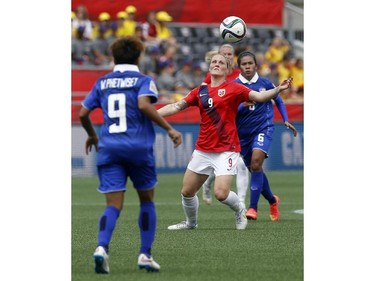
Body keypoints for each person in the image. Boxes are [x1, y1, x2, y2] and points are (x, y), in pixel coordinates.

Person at [79, 36, 182, 274]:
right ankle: (145, 254)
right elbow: (145, 105)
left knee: (113, 205)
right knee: (146, 200)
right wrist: (169, 129)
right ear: (139, 57)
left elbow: (83, 113)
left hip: (109, 148)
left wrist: (93, 136)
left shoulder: (102, 82)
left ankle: (102, 248)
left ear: (113, 57)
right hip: (138, 149)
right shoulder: (144, 80)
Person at [157, 53, 292, 230]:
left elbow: (259, 97)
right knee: (187, 192)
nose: (217, 64)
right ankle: (191, 223)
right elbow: (176, 106)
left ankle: (239, 210)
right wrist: (152, 114)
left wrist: (277, 90)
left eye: (221, 62)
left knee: (221, 194)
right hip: (203, 149)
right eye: (214, 61)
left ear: (227, 69)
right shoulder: (200, 91)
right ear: (210, 66)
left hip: (227, 149)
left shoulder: (235, 88)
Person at [234, 51, 298, 221]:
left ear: (256, 65)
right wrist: (242, 105)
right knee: (255, 169)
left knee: (256, 163)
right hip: (243, 134)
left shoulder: (264, 83)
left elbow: (278, 99)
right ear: (239, 67)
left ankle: (252, 208)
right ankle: (272, 199)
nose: (247, 67)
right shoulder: (234, 86)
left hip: (264, 128)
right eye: (244, 64)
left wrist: (285, 119)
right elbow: (230, 110)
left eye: (250, 63)